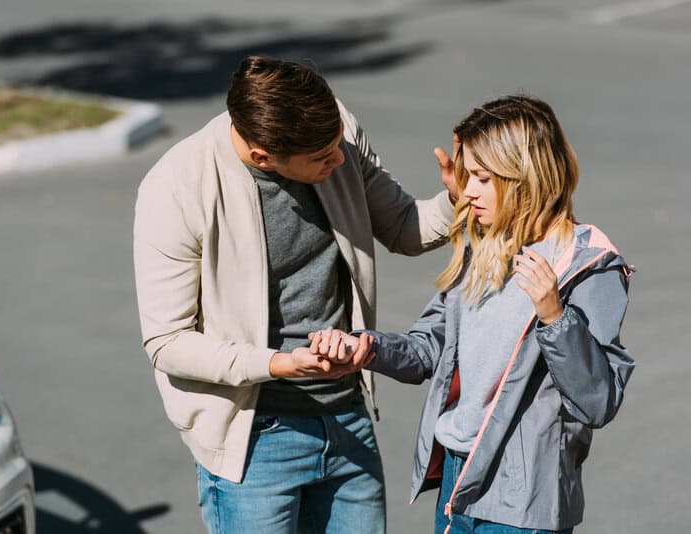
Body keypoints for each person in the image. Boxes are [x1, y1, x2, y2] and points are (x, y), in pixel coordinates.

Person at [133, 55, 457, 533]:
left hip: (346, 417)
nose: (341, 160)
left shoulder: (336, 130)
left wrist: (457, 199)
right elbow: (167, 342)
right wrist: (279, 364)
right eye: (322, 158)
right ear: (263, 155)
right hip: (254, 439)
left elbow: (405, 228)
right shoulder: (177, 188)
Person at [309, 95, 635, 534]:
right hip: (457, 483)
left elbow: (598, 400)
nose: (468, 191)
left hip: (522, 506)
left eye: (483, 178)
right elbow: (430, 349)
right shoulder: (483, 246)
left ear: (524, 177)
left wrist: (555, 316)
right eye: (468, 176)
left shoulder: (586, 264)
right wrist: (367, 347)